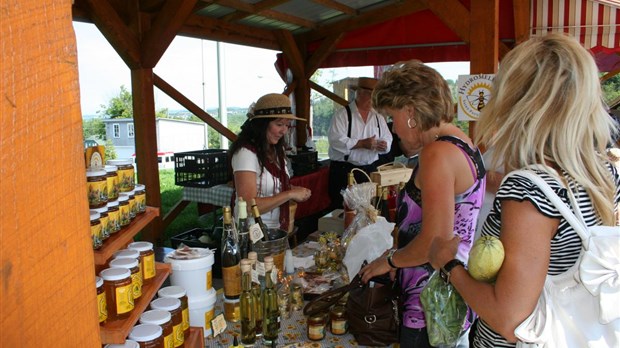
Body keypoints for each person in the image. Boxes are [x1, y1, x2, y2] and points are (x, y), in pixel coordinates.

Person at [428, 33, 620, 347]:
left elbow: (510, 320)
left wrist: (448, 265)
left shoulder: (529, 191)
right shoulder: (602, 173)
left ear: (515, 99)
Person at [359, 60, 486, 347]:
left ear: (410, 111)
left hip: (425, 305)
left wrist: (389, 260)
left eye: (393, 118)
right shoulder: (465, 145)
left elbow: (433, 241)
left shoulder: (436, 154)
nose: (394, 130)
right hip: (449, 300)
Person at [229, 93, 312, 232]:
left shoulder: (275, 150)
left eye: (287, 125)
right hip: (252, 233)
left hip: (275, 230)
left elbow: (273, 185)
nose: (284, 131)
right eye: (279, 124)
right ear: (262, 125)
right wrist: (289, 194)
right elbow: (249, 206)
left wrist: (292, 189)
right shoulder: (246, 154)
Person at [328, 77, 393, 208]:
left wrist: (384, 145)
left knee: (370, 210)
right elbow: (336, 141)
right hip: (344, 172)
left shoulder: (378, 117)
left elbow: (388, 138)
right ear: (359, 93)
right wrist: (362, 144)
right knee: (344, 211)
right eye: (371, 95)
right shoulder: (342, 115)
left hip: (369, 171)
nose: (373, 100)